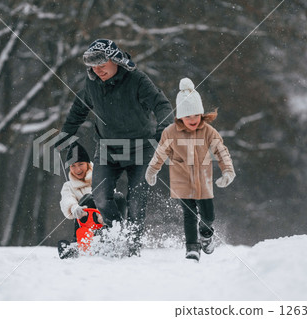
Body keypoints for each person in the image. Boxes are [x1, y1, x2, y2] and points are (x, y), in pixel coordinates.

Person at [57, 39, 174, 256]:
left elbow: (162, 104)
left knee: (136, 199)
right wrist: (65, 135)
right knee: (100, 196)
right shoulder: (92, 82)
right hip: (107, 149)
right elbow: (78, 110)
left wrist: (164, 129)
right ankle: (117, 235)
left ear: (115, 60)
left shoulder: (136, 79)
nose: (98, 70)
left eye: (102, 64)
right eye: (93, 66)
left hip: (141, 148)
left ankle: (132, 246)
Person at [145, 78, 236, 261]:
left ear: (201, 114)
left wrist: (228, 171)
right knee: (189, 214)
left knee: (208, 215)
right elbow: (160, 153)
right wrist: (152, 170)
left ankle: (206, 233)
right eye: (188, 116)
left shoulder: (208, 131)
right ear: (180, 117)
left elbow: (221, 151)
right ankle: (192, 248)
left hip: (203, 180)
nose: (192, 120)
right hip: (181, 180)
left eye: (195, 115)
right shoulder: (170, 132)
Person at [58, 142, 126, 258]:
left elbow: (111, 196)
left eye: (80, 164)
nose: (77, 169)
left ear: (88, 164)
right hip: (84, 225)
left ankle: (116, 238)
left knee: (118, 197)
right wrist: (74, 207)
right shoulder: (68, 186)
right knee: (87, 199)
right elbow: (67, 199)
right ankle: (80, 244)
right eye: (73, 166)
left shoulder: (101, 179)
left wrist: (105, 213)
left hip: (103, 223)